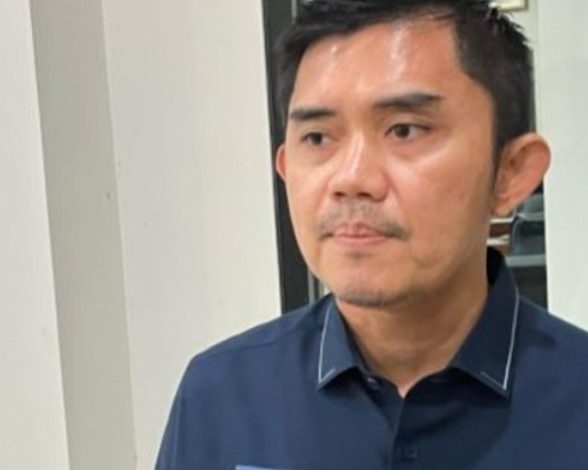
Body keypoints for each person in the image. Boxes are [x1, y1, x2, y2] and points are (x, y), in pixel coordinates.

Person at [156, 1, 588, 468]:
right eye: (318, 138)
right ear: (285, 169)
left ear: (511, 172)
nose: (351, 178)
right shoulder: (222, 396)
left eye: (404, 131)